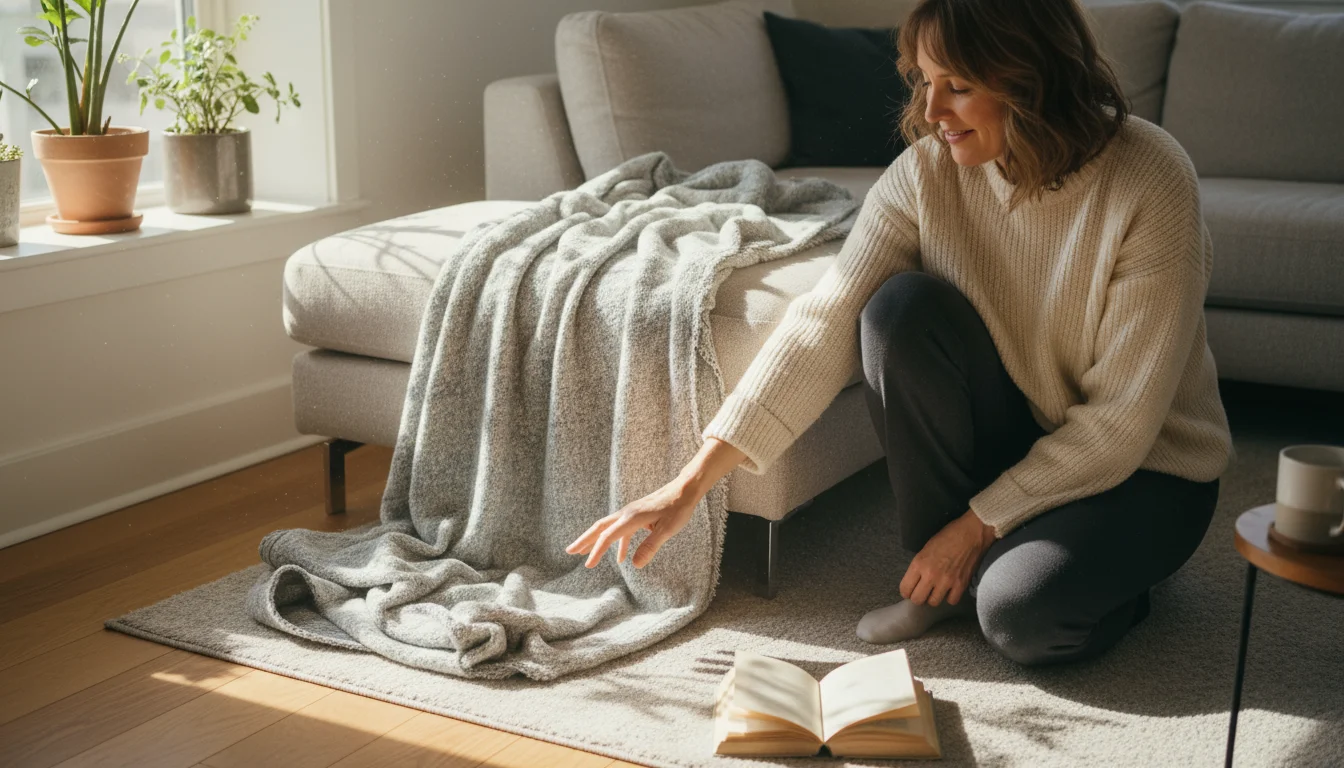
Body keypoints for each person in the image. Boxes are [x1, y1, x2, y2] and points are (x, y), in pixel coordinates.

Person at [566, 0, 1234, 667]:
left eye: (960, 86)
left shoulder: (1150, 176)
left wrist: (976, 527)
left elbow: (1120, 424)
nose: (930, 110)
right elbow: (822, 323)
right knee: (898, 310)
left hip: (1145, 470)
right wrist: (687, 485)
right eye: (923, 80)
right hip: (1027, 428)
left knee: (1021, 618)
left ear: (1032, 79)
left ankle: (1124, 585)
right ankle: (943, 574)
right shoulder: (926, 173)